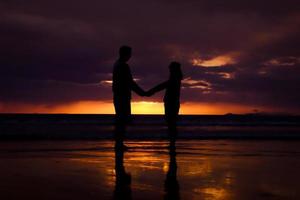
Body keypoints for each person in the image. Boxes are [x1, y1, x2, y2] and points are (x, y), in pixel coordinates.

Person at [113, 45, 146, 129]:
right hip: (123, 96)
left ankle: (119, 141)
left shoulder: (116, 65)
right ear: (126, 54)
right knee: (123, 121)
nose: (130, 56)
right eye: (129, 54)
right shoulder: (123, 66)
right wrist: (142, 93)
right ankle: (119, 141)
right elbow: (130, 82)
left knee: (120, 121)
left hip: (118, 96)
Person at [146, 62, 183, 132]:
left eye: (171, 69)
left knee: (171, 124)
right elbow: (163, 85)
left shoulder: (174, 80)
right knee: (171, 124)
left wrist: (151, 91)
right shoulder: (176, 80)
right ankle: (172, 141)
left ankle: (172, 141)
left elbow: (162, 86)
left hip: (171, 104)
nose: (170, 71)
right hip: (172, 103)